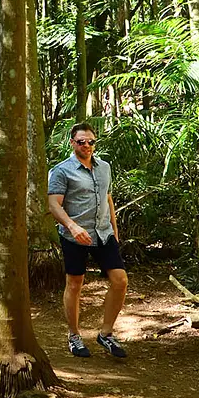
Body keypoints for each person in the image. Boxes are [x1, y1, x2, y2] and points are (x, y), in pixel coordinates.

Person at [48, 122, 128, 359]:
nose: (86, 146)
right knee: (75, 283)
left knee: (120, 280)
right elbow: (53, 204)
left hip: (103, 233)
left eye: (91, 141)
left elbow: (108, 197)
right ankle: (74, 336)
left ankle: (106, 333)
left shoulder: (104, 167)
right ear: (72, 143)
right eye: (81, 141)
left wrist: (114, 228)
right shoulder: (61, 170)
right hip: (74, 236)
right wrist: (72, 226)